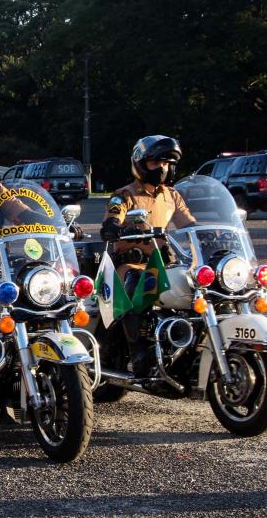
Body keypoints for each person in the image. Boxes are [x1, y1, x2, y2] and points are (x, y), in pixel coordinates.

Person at [99, 135, 195, 376]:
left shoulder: (172, 195)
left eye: (166, 163)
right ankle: (139, 351)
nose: (162, 168)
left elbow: (189, 224)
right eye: (156, 163)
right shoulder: (124, 195)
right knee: (135, 285)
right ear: (141, 163)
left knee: (197, 286)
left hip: (163, 262)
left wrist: (210, 235)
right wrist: (116, 227)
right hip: (131, 263)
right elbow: (113, 218)